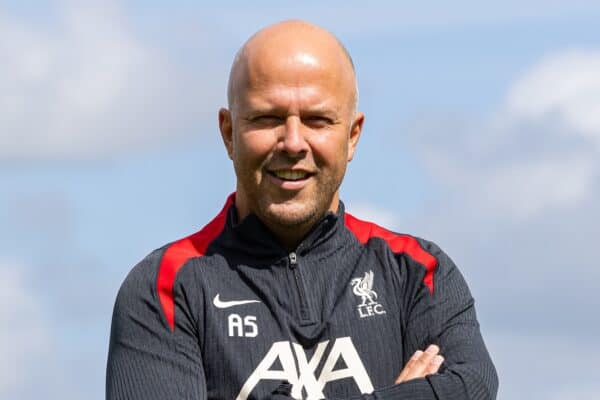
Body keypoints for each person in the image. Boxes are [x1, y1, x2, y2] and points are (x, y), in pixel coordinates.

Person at [106, 20, 498, 400]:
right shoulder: (165, 290)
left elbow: (473, 386)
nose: (293, 142)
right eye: (268, 118)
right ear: (229, 133)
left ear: (352, 135)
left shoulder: (416, 273)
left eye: (317, 120)